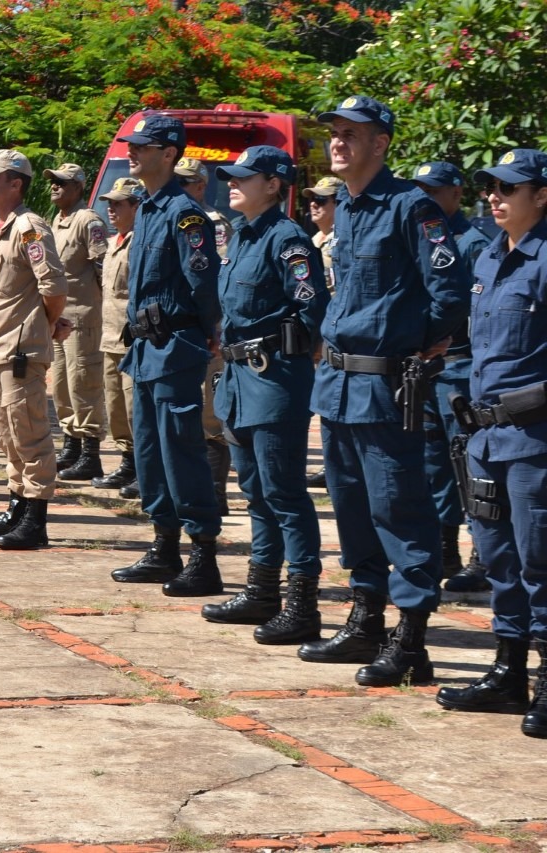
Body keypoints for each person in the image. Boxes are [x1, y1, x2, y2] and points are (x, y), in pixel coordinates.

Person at [296, 95, 470, 687]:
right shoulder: (345, 207)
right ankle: (365, 622)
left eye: (352, 133)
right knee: (351, 510)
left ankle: (411, 641)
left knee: (401, 510)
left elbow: (448, 292)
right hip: (339, 382)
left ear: (381, 143)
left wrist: (419, 345)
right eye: (335, 132)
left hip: (387, 385)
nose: (338, 141)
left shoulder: (411, 207)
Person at [434, 147, 547, 738]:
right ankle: (507, 673)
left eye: (509, 188)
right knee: (499, 560)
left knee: (540, 562)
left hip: (534, 441)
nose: (494, 198)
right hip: (483, 439)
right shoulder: (485, 259)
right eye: (490, 189)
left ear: (542, 196)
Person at [198, 146, 330, 644]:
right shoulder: (242, 236)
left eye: (243, 177)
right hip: (238, 383)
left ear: (273, 184)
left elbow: (309, 311)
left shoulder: (288, 240)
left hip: (273, 382)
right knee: (254, 492)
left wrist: (281, 354)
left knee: (285, 495)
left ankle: (301, 607)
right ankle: (261, 591)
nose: (231, 183)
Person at [108, 114, 224, 597]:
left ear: (169, 153)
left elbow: (203, 282)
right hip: (145, 349)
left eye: (143, 146)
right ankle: (164, 547)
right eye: (132, 145)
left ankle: (203, 556)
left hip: (176, 348)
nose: (132, 152)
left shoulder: (184, 213)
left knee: (181, 452)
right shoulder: (149, 209)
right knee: (150, 454)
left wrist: (211, 331)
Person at [0, 149, 69, 548]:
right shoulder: (0, 228)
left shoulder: (29, 227)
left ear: (16, 184)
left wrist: (42, 327)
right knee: (8, 432)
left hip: (20, 348)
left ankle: (36, 520)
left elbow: (54, 288)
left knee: (29, 433)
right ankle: (17, 506)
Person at [410, 161, 493, 593]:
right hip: (427, 366)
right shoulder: (421, 235)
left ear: (457, 194)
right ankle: (444, 548)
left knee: (467, 461)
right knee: (431, 464)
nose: (425, 197)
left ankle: (483, 555)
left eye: (434, 190)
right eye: (420, 189)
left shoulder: (473, 243)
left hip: (460, 365)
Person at [44, 163, 109, 482]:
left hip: (84, 318)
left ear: (78, 188)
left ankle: (90, 454)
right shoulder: (56, 220)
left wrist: (101, 307)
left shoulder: (88, 220)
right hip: (60, 318)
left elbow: (102, 267)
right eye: (53, 182)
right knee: (60, 386)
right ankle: (71, 446)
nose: (54, 187)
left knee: (84, 384)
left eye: (62, 183)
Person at [176, 156, 233, 515]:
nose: (178, 188)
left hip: (208, 328)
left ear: (200, 185)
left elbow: (216, 275)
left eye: (185, 182)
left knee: (210, 414)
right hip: (182, 329)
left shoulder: (213, 222)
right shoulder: (172, 215)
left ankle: (216, 493)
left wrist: (212, 324)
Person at [93, 177, 145, 494]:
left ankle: (145, 468)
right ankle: (128, 464)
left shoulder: (141, 242)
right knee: (115, 408)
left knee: (134, 409)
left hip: (132, 340)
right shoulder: (114, 242)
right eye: (109, 203)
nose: (111, 209)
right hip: (109, 337)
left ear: (137, 206)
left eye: (119, 203)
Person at [300, 175, 343, 491]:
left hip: (336, 336)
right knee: (324, 405)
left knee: (335, 403)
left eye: (322, 199)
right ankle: (330, 464)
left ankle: (337, 467)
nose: (313, 204)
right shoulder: (313, 242)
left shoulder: (341, 242)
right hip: (319, 336)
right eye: (311, 199)